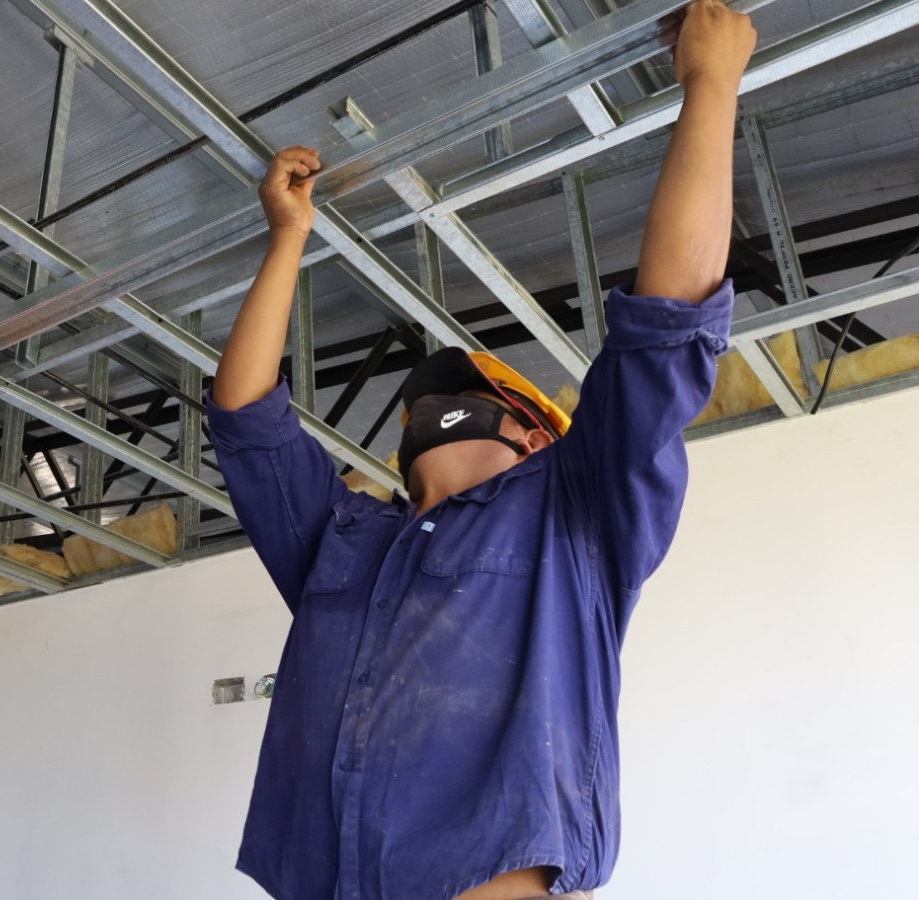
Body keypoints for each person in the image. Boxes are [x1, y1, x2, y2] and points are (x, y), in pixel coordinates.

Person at [205, 2, 755, 899]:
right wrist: (288, 239)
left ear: (535, 431)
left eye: (467, 396)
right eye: (423, 404)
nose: (436, 408)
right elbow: (245, 417)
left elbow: (666, 329)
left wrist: (711, 85)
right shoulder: (342, 540)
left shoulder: (577, 511)